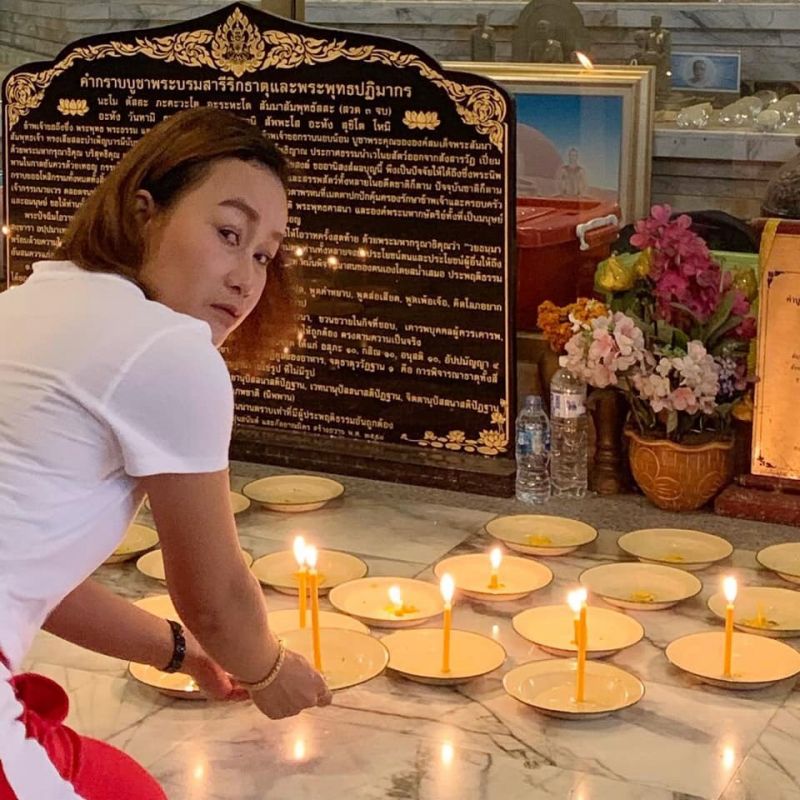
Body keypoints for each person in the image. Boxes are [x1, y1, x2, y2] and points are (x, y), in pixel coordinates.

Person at [0, 107, 332, 800]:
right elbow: (216, 595)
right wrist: (270, 671)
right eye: (229, 234)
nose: (246, 279)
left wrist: (181, 651)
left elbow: (34, 578)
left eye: (264, 255)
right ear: (143, 212)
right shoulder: (166, 348)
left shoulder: (23, 305)